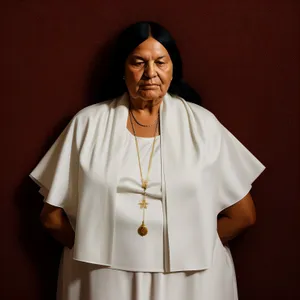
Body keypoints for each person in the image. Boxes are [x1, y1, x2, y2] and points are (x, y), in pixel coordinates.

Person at [30, 21, 265, 300]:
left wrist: (191, 245)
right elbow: (52, 217)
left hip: (189, 280)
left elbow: (243, 216)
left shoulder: (204, 126)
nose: (150, 73)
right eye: (139, 62)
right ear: (122, 67)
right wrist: (94, 252)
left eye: (161, 62)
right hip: (104, 277)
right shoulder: (88, 124)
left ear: (173, 67)